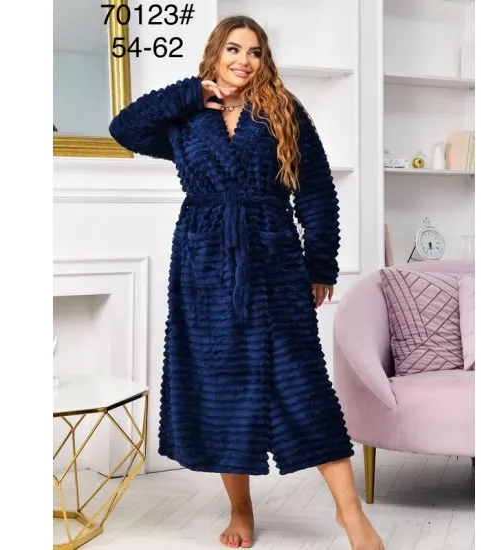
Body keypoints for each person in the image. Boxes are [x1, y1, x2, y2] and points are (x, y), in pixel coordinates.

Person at [109, 15, 383, 550]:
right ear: (215, 53)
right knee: (221, 388)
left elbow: (317, 192)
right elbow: (125, 128)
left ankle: (350, 513)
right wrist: (191, 93)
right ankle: (240, 508)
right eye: (233, 49)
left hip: (273, 260)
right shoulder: (186, 117)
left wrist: (320, 265)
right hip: (204, 267)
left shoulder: (282, 111)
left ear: (265, 60)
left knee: (304, 386)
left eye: (255, 52)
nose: (244, 61)